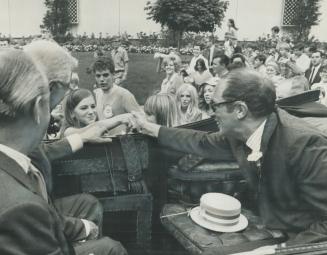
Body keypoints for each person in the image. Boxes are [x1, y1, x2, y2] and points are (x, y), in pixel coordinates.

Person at [132, 68, 327, 246]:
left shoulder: (304, 144)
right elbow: (200, 141)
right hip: (267, 227)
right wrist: (152, 128)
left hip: (301, 240)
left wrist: (283, 250)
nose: (211, 110)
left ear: (240, 110)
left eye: (215, 105)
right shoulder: (239, 134)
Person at [0, 49, 127, 255]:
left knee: (89, 205)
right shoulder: (21, 207)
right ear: (38, 107)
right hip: (40, 221)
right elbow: (32, 210)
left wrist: (82, 137)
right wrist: (82, 229)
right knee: (113, 248)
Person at [92, 57, 141, 135]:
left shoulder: (124, 94)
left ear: (113, 75)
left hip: (120, 141)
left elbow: (140, 118)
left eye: (105, 75)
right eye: (98, 76)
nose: (101, 79)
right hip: (103, 141)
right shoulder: (97, 94)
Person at [61, 88, 133, 137]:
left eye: (93, 106)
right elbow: (95, 127)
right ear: (72, 113)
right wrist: (121, 118)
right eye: (84, 108)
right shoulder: (68, 131)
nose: (91, 112)